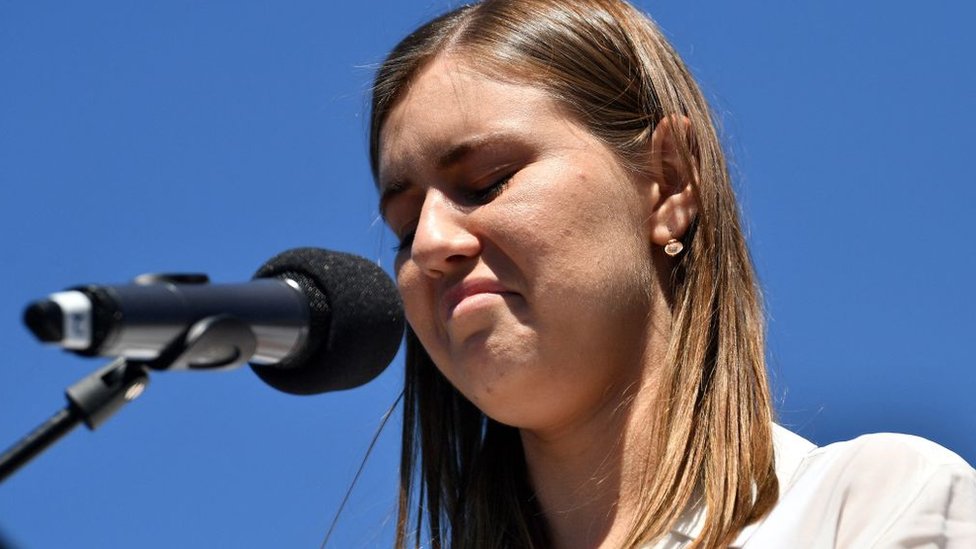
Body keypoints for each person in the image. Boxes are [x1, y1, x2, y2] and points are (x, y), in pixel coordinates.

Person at [368, 0, 976, 547]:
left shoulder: (873, 510)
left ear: (668, 182)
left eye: (487, 182)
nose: (430, 244)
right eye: (404, 226)